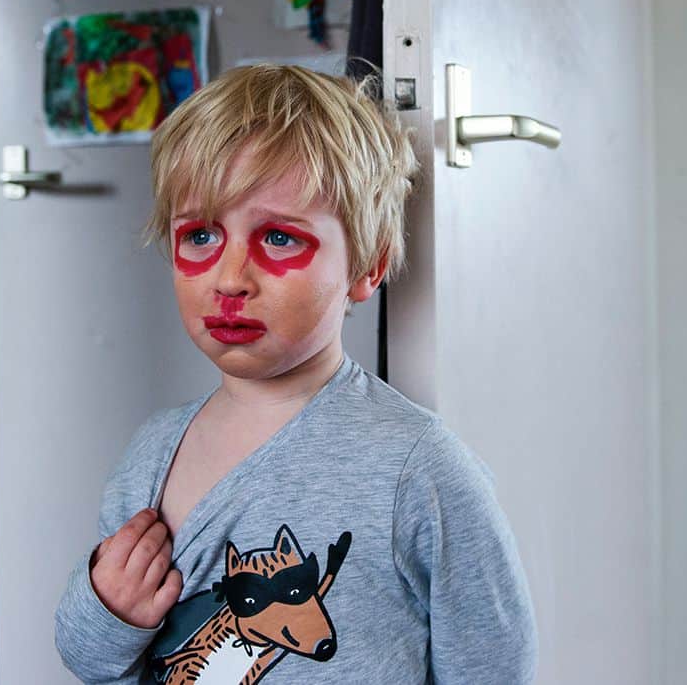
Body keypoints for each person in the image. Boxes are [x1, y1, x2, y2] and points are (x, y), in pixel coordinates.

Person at [54, 65, 537, 684]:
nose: (230, 279)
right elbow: (92, 660)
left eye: (279, 238)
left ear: (366, 267)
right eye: (200, 235)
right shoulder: (150, 456)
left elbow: (494, 664)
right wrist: (109, 610)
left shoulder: (417, 466)